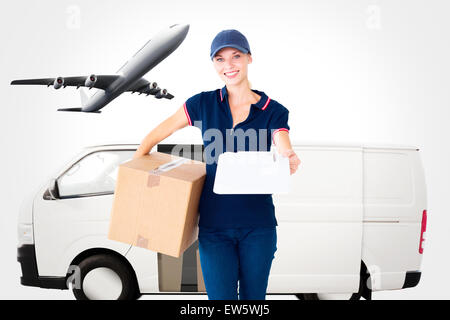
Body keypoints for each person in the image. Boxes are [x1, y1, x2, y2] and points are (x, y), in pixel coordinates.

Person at [134, 29, 301, 300]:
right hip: (214, 226)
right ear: (214, 64)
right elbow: (158, 133)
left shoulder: (273, 109)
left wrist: (288, 155)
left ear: (249, 58)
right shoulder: (203, 104)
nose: (229, 65)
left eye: (236, 56)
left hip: (258, 227)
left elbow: (281, 138)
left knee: (252, 301)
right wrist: (137, 166)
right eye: (220, 59)